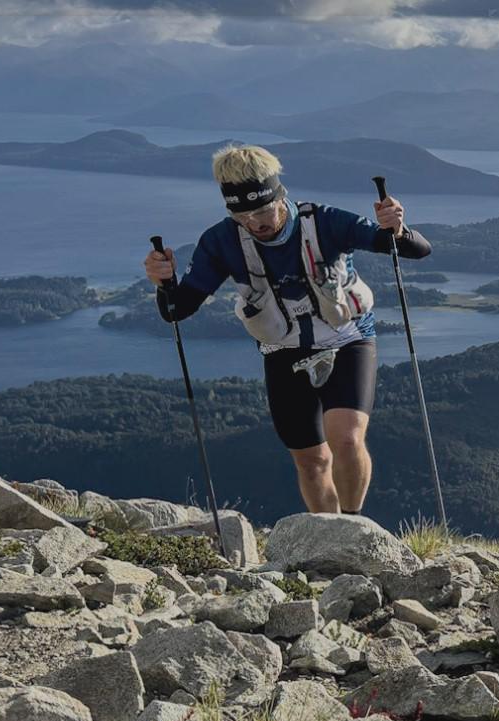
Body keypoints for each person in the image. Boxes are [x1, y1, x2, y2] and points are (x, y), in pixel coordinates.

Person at [143, 144, 432, 516]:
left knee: (346, 439)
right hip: (282, 351)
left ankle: (352, 525)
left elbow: (415, 249)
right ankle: (326, 532)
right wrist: (163, 282)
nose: (256, 223)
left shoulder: (325, 222)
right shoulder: (221, 241)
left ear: (281, 196)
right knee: (311, 460)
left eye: (263, 210)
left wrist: (397, 228)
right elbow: (177, 309)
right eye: (243, 216)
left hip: (347, 338)